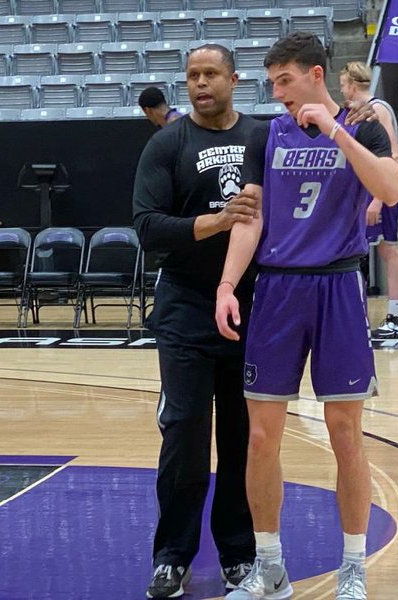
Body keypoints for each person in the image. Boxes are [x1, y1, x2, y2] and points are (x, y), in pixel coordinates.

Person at [215, 33, 398, 600]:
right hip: (275, 289)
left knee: (346, 434)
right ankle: (269, 566)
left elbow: (391, 190)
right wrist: (228, 284)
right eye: (272, 83)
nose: (277, 94)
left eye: (286, 82)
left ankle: (353, 568)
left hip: (337, 287)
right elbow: (250, 218)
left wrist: (336, 130)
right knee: (259, 438)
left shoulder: (363, 127)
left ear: (316, 75)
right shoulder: (262, 134)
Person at [133, 43, 268, 599]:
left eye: (211, 74)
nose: (200, 83)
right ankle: (172, 556)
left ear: (234, 79)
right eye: (192, 76)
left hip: (254, 307)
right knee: (185, 435)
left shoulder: (261, 137)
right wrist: (216, 222)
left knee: (242, 437)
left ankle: (238, 553)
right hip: (186, 306)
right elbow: (147, 226)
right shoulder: (167, 143)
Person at [340, 61, 398, 337]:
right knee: (375, 251)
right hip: (372, 189)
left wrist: (377, 199)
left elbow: (392, 156)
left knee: (386, 250)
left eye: (343, 85)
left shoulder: (375, 109)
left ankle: (395, 316)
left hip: (379, 191)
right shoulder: (369, 109)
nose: (342, 91)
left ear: (353, 86)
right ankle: (365, 316)